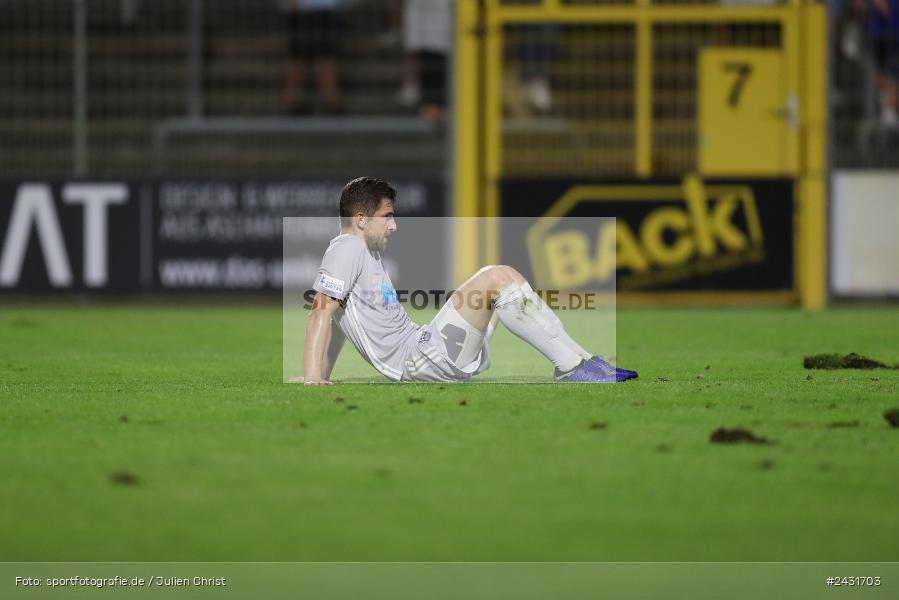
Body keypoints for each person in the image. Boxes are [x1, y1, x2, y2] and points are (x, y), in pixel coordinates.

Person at [301, 177, 638, 385]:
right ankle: (570, 366)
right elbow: (321, 311)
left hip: (424, 349)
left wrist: (320, 375)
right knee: (496, 277)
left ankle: (581, 360)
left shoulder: (362, 253)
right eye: (387, 216)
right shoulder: (347, 248)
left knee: (507, 280)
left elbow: (339, 321)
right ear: (361, 219)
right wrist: (313, 377)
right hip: (418, 360)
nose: (394, 225)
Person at [279, 0, 343, 115]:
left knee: (321, 58)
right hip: (306, 9)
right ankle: (291, 105)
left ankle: (332, 105)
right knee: (303, 59)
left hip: (320, 9)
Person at [867, 0, 899, 124]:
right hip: (881, 33)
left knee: (894, 75)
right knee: (883, 73)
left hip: (893, 31)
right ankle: (888, 108)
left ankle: (890, 109)